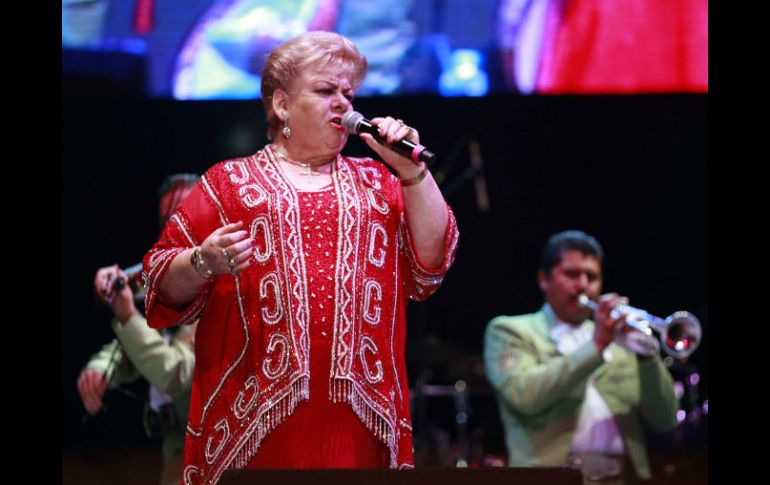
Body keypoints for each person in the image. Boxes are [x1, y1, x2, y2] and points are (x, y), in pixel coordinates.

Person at [142, 31, 459, 483]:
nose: (343, 103)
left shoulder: (379, 183)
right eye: (326, 91)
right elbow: (158, 281)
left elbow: (431, 261)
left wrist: (412, 171)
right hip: (251, 424)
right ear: (282, 105)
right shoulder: (229, 184)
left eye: (349, 94)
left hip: (361, 423)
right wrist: (202, 262)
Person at [483, 230, 678, 483]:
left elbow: (665, 420)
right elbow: (524, 396)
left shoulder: (622, 342)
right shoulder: (510, 331)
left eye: (592, 276)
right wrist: (597, 346)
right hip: (550, 480)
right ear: (544, 279)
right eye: (572, 274)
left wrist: (647, 355)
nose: (583, 284)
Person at [77, 173, 199, 485]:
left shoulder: (222, 285)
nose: (175, 231)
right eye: (168, 221)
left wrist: (127, 315)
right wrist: (101, 368)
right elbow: (139, 347)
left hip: (216, 449)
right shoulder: (168, 284)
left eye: (185, 217)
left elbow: (176, 372)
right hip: (177, 444)